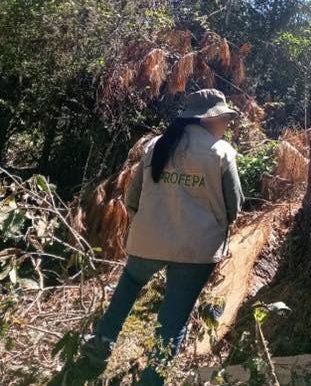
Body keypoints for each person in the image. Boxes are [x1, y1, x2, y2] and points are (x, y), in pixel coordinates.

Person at [69, 89, 244, 385]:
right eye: (224, 118)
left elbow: (132, 197)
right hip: (196, 249)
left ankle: (99, 348)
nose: (226, 123)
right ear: (209, 119)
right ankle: (152, 379)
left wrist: (147, 226)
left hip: (147, 240)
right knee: (173, 320)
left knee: (128, 288)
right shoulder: (222, 152)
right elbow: (235, 206)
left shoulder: (155, 146)